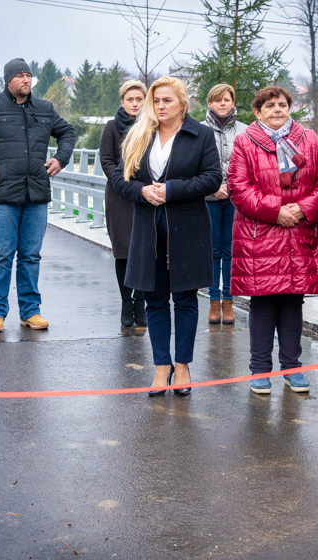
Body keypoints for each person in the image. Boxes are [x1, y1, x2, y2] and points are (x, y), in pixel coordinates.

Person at [111, 76, 221, 396]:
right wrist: (142, 190)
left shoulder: (200, 134)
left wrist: (171, 190)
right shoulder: (140, 134)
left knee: (185, 299)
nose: (160, 106)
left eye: (167, 100)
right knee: (155, 300)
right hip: (148, 229)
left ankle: (183, 366)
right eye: (156, 101)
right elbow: (120, 179)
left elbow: (212, 179)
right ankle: (162, 368)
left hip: (187, 228)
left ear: (182, 103)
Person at [0, 58, 75, 332]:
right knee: (2, 256)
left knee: (31, 255)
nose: (26, 80)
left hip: (36, 194)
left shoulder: (44, 109)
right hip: (1, 195)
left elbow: (67, 132)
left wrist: (60, 159)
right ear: (8, 80)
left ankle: (30, 312)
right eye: (20, 76)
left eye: (29, 76)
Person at [227, 85, 318, 395]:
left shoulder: (309, 139)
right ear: (258, 112)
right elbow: (238, 187)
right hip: (261, 235)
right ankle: (259, 369)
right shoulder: (245, 142)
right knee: (263, 303)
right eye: (270, 106)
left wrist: (302, 209)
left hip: (301, 233)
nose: (277, 109)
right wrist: (275, 211)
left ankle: (292, 367)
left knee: (293, 302)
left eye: (282, 105)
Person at [100, 79, 148, 328]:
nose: (135, 104)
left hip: (146, 195)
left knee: (143, 251)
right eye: (130, 99)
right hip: (120, 197)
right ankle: (125, 301)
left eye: (139, 99)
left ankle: (140, 301)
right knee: (123, 252)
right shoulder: (111, 127)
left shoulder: (152, 126)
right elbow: (107, 160)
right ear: (122, 101)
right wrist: (123, 182)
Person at [203, 83, 247, 326]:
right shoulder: (199, 131)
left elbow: (247, 166)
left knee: (230, 251)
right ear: (210, 103)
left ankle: (228, 301)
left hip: (234, 199)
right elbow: (195, 165)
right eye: (217, 99)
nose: (222, 103)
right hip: (208, 199)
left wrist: (231, 188)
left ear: (233, 102)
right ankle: (213, 301)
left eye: (227, 99)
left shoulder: (244, 131)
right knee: (212, 251)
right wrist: (213, 187)